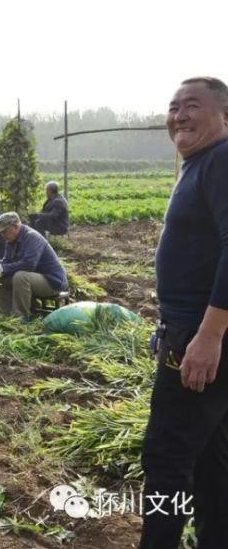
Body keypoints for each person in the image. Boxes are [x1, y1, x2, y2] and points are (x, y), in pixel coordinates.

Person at [140, 76, 228, 548]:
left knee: (167, 457)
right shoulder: (202, 162)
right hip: (194, 332)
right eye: (174, 107)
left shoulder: (221, 159)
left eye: (192, 106)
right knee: (210, 456)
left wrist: (209, 334)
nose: (179, 116)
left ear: (225, 116)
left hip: (201, 337)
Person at [0, 212, 68, 319]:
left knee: (21, 277)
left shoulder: (32, 237)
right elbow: (6, 261)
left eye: (4, 231)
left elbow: (29, 265)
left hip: (52, 281)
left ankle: (21, 318)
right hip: (34, 278)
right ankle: (7, 315)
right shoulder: (11, 241)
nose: (3, 235)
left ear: (15, 226)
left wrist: (3, 268)